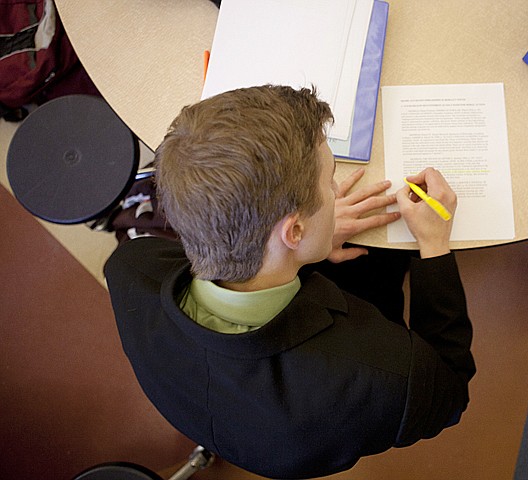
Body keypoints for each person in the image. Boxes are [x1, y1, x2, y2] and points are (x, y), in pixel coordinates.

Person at [104, 85, 475, 479]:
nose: (336, 192)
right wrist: (433, 245)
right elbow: (450, 390)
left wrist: (310, 238)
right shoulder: (383, 377)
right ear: (293, 231)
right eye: (330, 180)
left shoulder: (130, 268)